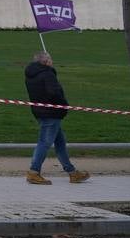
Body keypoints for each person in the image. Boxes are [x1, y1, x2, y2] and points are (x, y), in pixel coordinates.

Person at [24, 51, 90, 184]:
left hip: (40, 111)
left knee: (60, 143)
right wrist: (64, 105)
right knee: (45, 142)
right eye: (50, 59)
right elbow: (54, 92)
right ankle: (33, 172)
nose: (52, 61)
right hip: (52, 113)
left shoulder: (31, 75)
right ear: (46, 61)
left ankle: (72, 172)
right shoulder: (47, 74)